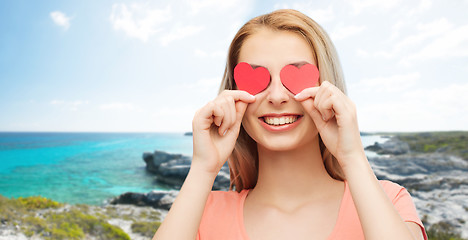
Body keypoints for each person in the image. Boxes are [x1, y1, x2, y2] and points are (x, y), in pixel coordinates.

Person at [153, 9, 427, 240]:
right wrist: (203, 167)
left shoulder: (389, 201)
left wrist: (352, 157)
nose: (276, 97)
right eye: (256, 79)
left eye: (296, 76)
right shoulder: (202, 214)